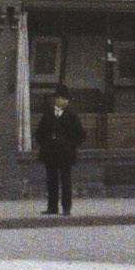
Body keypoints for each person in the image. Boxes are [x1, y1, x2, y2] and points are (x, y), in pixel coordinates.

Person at [34, 87, 85, 216]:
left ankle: (66, 207)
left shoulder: (72, 115)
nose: (60, 100)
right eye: (58, 98)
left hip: (65, 153)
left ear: (67, 101)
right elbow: (39, 133)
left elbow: (81, 134)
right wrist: (45, 145)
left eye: (63, 98)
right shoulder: (48, 114)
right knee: (51, 180)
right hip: (50, 152)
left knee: (66, 180)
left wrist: (70, 145)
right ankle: (52, 207)